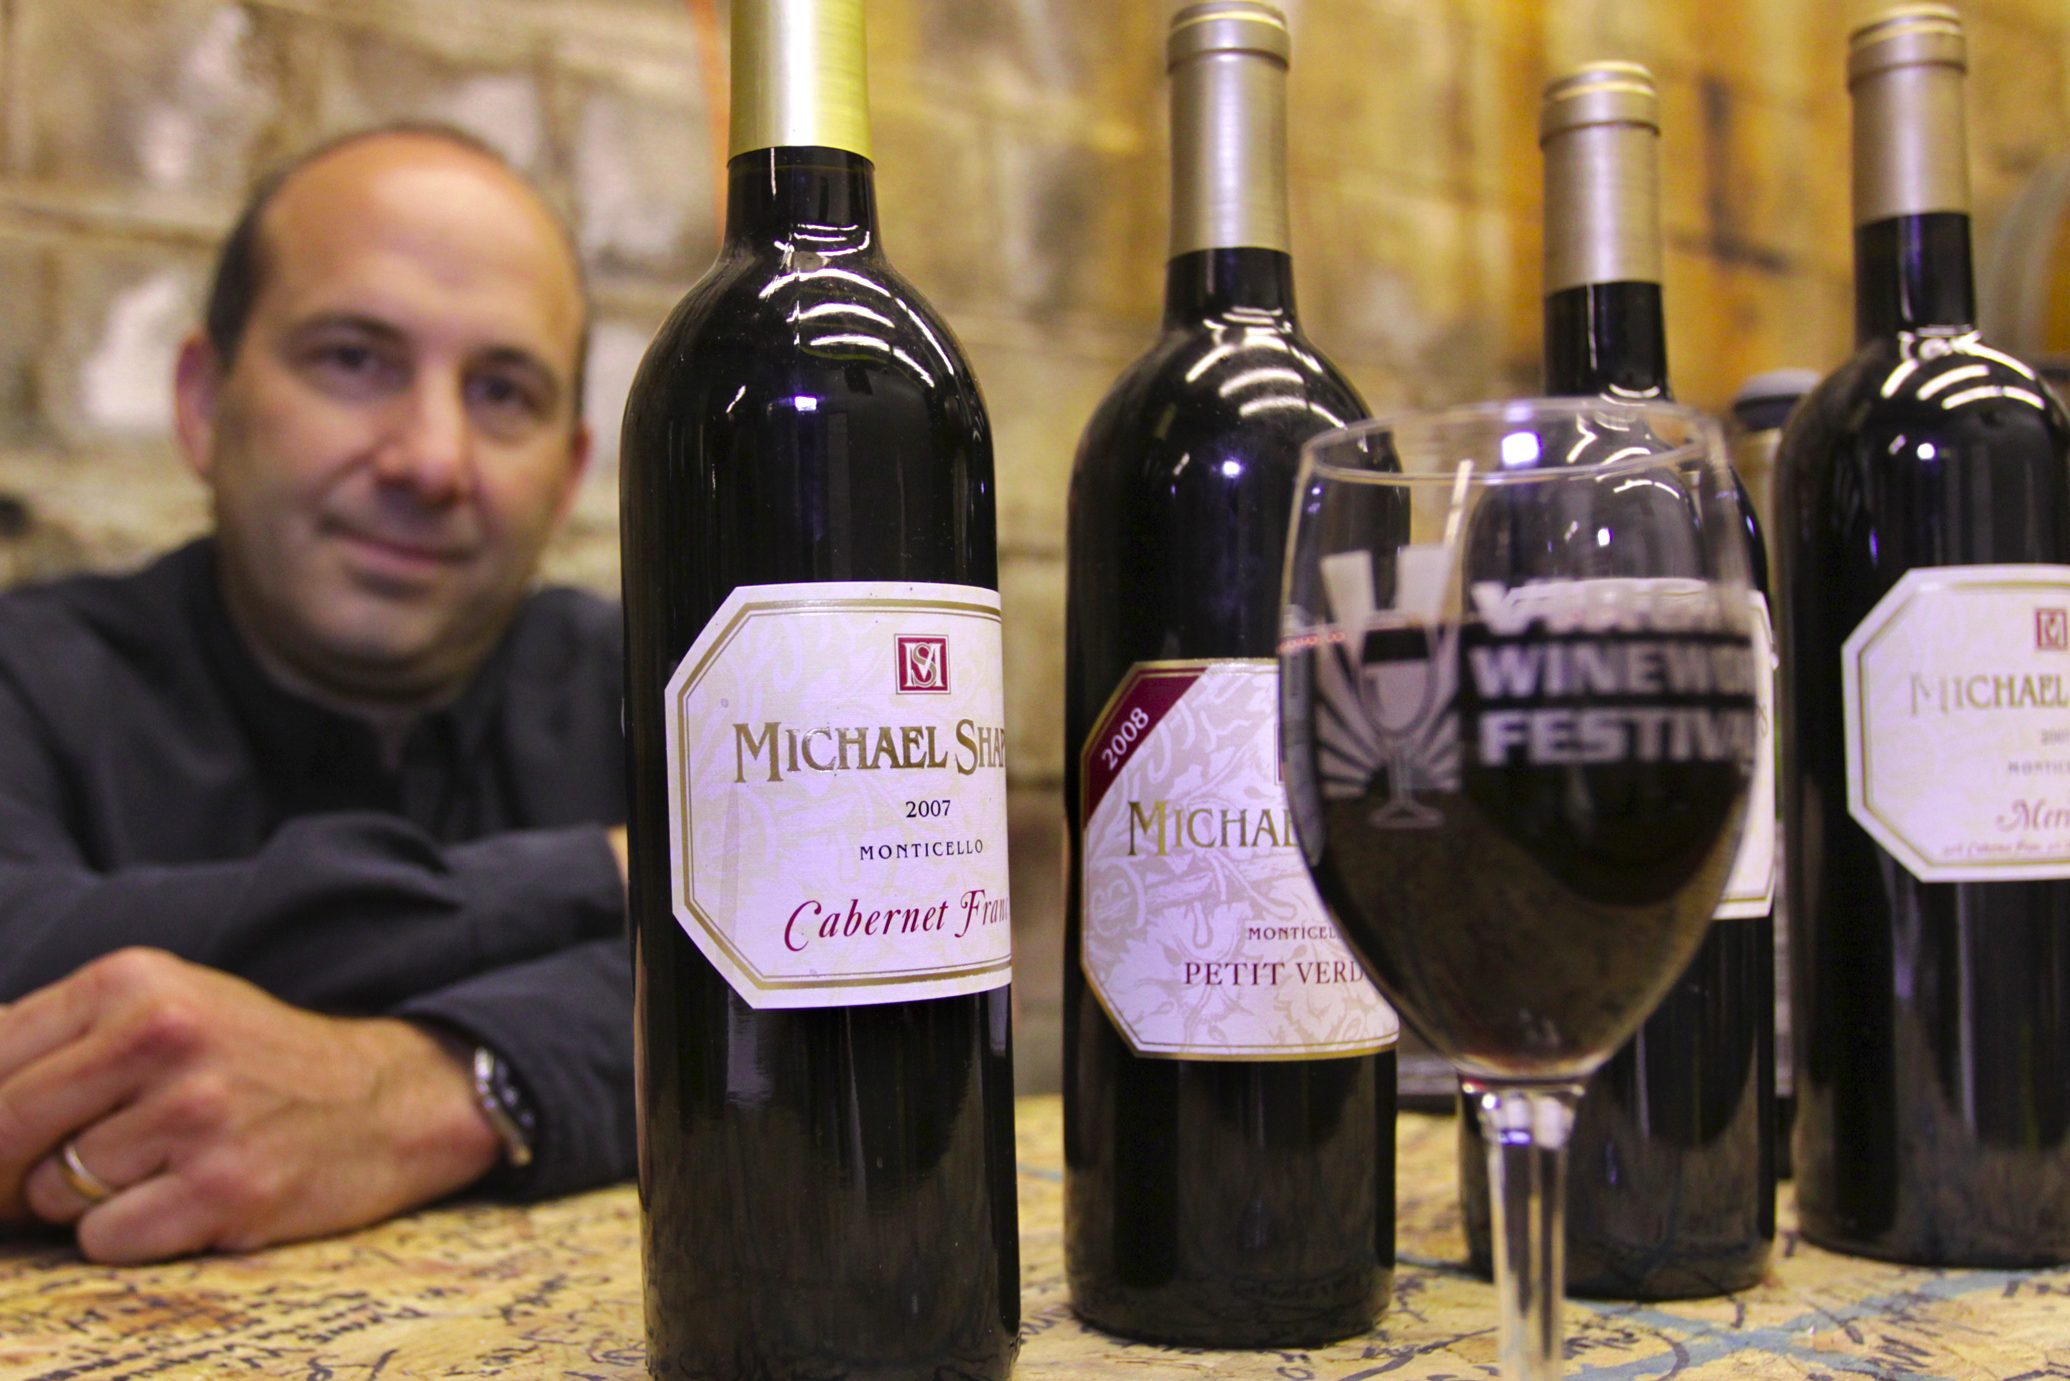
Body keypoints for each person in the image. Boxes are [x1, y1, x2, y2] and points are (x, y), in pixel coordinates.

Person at [0, 125, 632, 1264]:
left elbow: (845, 984)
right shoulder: (27, 680)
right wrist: (607, 877)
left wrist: (420, 1093)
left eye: (502, 391)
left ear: (570, 472)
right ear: (202, 400)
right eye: (354, 358)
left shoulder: (666, 699)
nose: (433, 459)